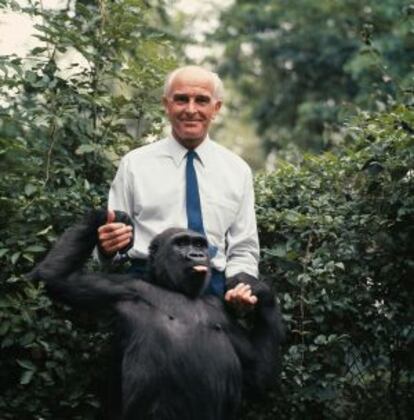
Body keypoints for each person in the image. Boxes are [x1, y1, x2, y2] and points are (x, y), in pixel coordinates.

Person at [97, 65, 260, 309]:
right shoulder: (135, 165)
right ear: (167, 104)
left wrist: (240, 285)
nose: (191, 109)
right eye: (182, 99)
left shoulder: (237, 171)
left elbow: (244, 248)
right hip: (145, 294)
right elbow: (115, 243)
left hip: (213, 295)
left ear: (216, 108)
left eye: (202, 100)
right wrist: (107, 249)